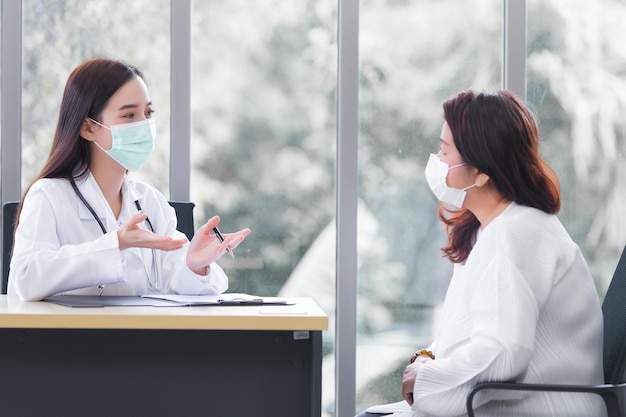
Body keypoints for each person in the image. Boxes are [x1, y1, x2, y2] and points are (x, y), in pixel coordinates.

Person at [357, 90, 606, 417]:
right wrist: (426, 359)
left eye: (445, 153)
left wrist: (426, 376)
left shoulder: (515, 235)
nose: (437, 162)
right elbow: (470, 334)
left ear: (482, 171)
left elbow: (503, 352)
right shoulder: (492, 229)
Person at [8, 58, 251, 301]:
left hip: (142, 337)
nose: (144, 125)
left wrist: (195, 265)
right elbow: (26, 278)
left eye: (148, 113)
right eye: (129, 115)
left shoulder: (149, 201)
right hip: (68, 337)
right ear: (89, 128)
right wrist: (115, 243)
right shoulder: (48, 195)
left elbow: (178, 281)